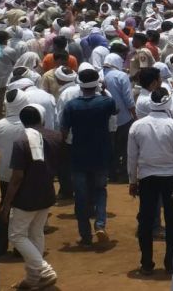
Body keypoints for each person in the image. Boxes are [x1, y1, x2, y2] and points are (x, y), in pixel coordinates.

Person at [0, 104, 62, 290]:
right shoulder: (56, 136)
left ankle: (44, 270)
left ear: (22, 121)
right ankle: (34, 278)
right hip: (47, 191)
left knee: (16, 235)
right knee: (36, 232)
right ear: (41, 119)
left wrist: (7, 203)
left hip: (27, 196)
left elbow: (17, 176)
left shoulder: (21, 142)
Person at [128, 87, 173, 275]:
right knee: (172, 222)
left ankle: (146, 263)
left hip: (147, 179)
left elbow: (132, 157)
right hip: (171, 178)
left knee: (145, 221)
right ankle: (170, 264)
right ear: (167, 102)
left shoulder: (137, 125)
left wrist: (132, 180)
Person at [60, 67, 116, 246]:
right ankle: (100, 224)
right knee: (100, 190)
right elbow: (114, 110)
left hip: (79, 155)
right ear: (97, 84)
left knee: (81, 196)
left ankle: (85, 235)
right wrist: (103, 88)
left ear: (80, 85)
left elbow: (63, 131)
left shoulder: (71, 106)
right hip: (101, 153)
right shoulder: (106, 102)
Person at [0, 88, 30, 256]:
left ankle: (0, 246)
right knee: (23, 209)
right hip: (26, 174)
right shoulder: (28, 125)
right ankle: (20, 248)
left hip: (6, 173)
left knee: (4, 204)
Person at [102, 53, 135, 183]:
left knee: (110, 147)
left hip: (104, 119)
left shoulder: (99, 74)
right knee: (125, 148)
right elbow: (128, 98)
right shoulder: (121, 76)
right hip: (123, 118)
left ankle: (111, 172)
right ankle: (123, 173)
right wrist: (134, 115)